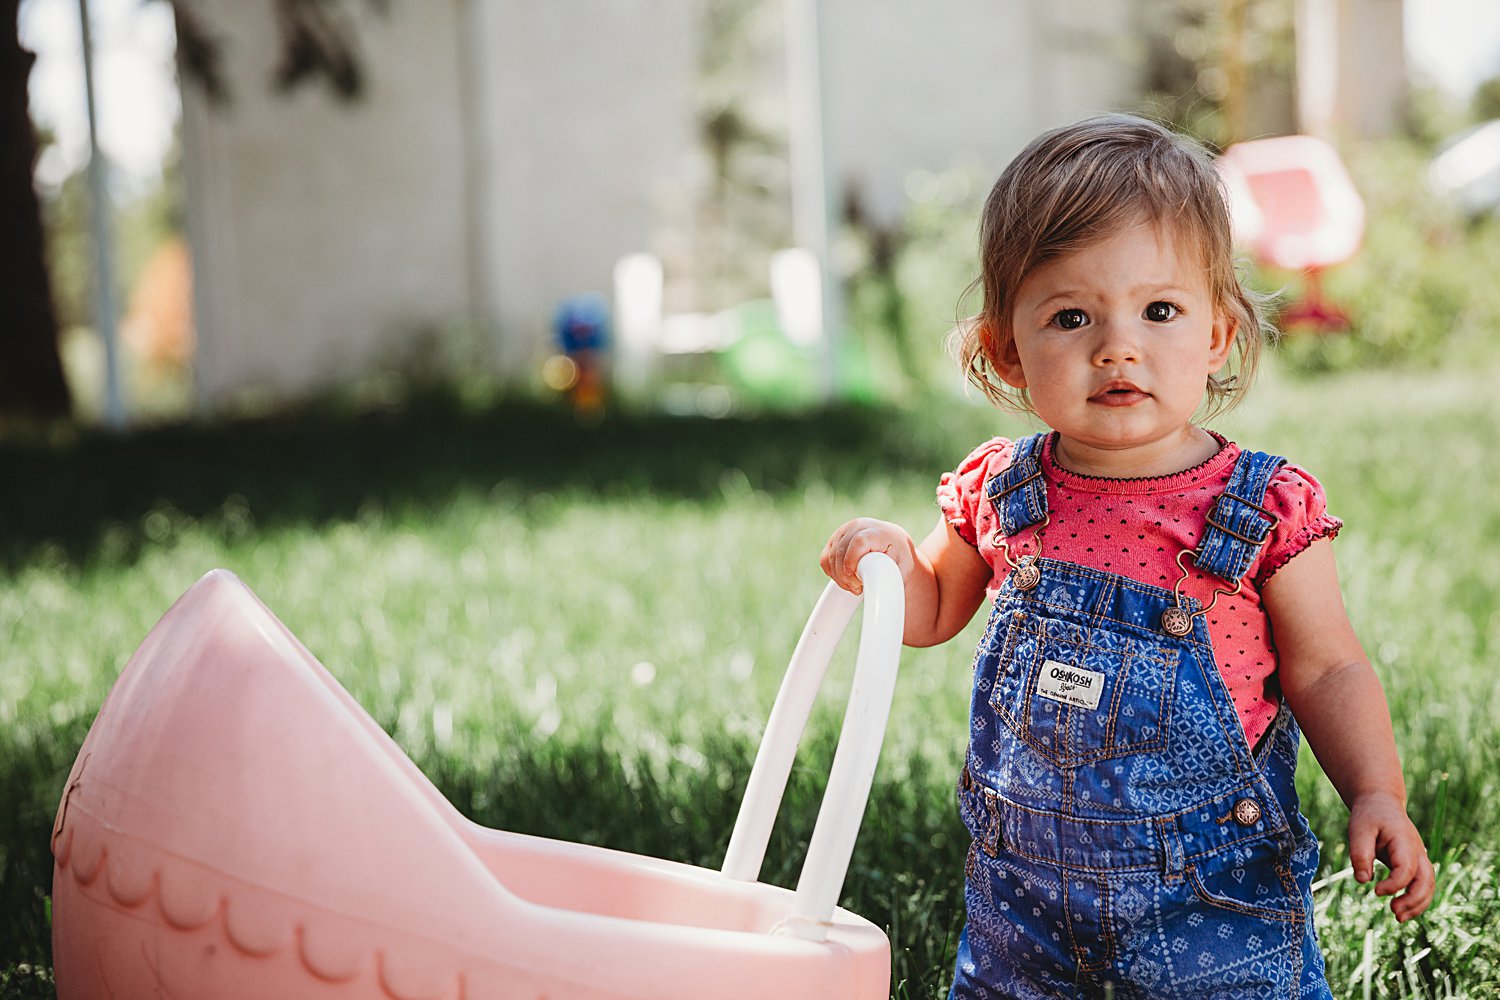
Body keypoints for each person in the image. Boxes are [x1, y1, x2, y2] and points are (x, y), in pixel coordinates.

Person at [820, 114, 1434, 998]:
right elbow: (932, 611)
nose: (1118, 346)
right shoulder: (1003, 492)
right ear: (1006, 349)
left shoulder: (1258, 509)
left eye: (1160, 310)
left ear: (1218, 334)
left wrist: (1376, 790)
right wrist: (887, 564)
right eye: (1071, 316)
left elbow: (1328, 666)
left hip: (1213, 912)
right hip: (1023, 913)